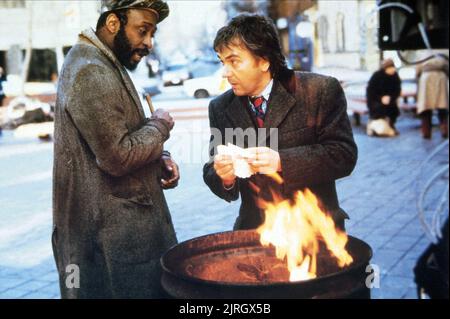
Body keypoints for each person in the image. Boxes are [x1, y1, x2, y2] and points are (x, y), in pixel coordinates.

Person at [53, 0, 179, 299]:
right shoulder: (91, 71)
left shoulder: (102, 61)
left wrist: (159, 156)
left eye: (152, 33)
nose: (148, 43)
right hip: (111, 244)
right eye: (142, 30)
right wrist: (160, 126)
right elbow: (117, 157)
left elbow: (117, 134)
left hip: (118, 237)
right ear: (113, 24)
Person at [203, 14, 357, 231]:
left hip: (316, 232)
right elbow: (211, 169)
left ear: (264, 60)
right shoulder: (220, 107)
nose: (225, 73)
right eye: (222, 62)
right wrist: (224, 177)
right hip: (255, 232)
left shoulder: (318, 90)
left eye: (234, 61)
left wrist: (281, 161)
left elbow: (344, 155)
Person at [416, 55, 449, 139]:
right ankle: (444, 130)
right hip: (440, 78)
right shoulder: (442, 54)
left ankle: (426, 132)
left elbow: (418, 70)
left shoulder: (422, 53)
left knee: (426, 107)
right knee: (442, 106)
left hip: (426, 79)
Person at [366, 58, 402, 134]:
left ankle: (391, 126)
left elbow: (397, 90)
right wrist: (380, 98)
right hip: (376, 100)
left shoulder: (395, 76)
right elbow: (371, 91)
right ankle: (376, 127)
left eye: (393, 68)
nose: (392, 70)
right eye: (389, 68)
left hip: (390, 99)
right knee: (379, 109)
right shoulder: (377, 76)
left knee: (394, 109)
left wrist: (391, 97)